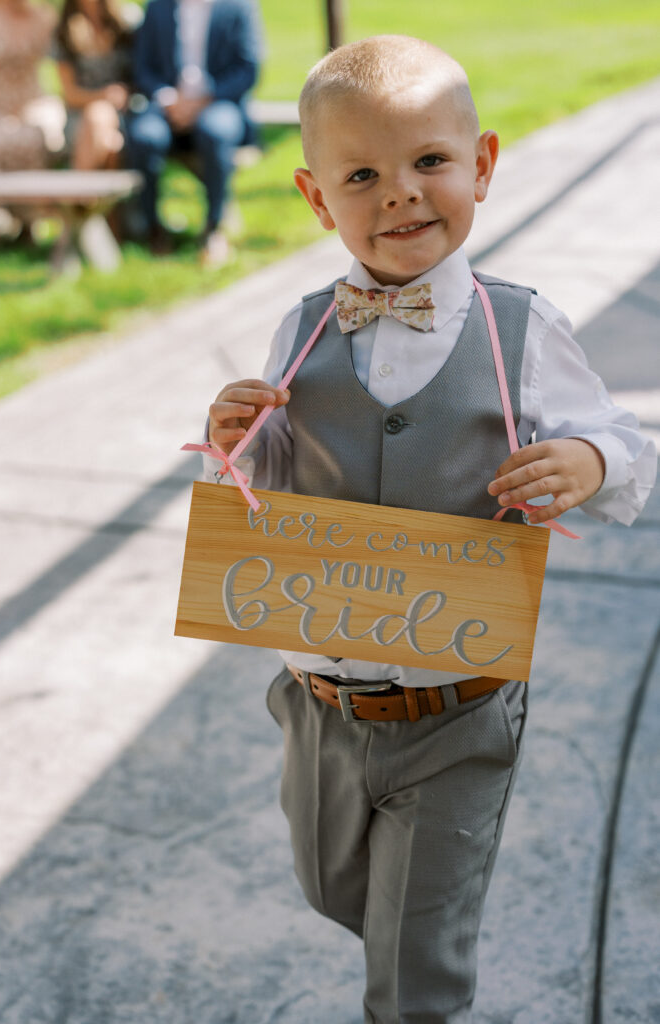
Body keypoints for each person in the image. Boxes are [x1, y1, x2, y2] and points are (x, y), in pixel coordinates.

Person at [204, 36, 656, 1024]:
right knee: (333, 888)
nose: (401, 194)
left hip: (458, 704)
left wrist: (584, 460)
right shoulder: (304, 327)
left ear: (482, 165)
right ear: (318, 198)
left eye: (429, 162)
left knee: (413, 973)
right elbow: (280, 481)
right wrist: (238, 442)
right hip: (318, 702)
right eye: (362, 174)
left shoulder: (519, 327)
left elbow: (621, 439)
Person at [126, 0, 260, 264]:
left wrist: (204, 99)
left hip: (218, 102)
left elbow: (248, 68)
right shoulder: (157, 7)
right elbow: (143, 67)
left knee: (216, 131)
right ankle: (152, 227)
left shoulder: (238, 7)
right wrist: (169, 99)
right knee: (144, 136)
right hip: (167, 106)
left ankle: (214, 227)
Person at [0, 0, 65, 171]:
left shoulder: (44, 18)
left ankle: (41, 195)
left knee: (45, 135)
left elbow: (65, 65)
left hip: (33, 102)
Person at [53, 0, 135, 171]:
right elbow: (70, 94)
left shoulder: (126, 22)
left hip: (124, 115)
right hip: (80, 119)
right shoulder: (64, 30)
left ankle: (80, 193)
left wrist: (124, 93)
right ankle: (87, 192)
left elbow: (141, 74)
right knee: (107, 136)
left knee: (110, 140)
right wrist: (103, 96)